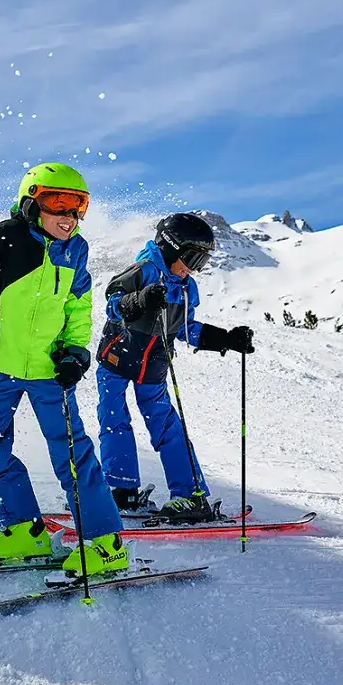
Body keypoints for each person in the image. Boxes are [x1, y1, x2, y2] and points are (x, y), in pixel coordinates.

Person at [0, 162, 127, 578]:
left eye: (78, 206)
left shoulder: (76, 250)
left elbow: (79, 306)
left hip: (50, 371)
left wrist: (75, 351)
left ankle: (105, 541)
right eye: (57, 202)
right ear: (31, 202)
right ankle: (24, 529)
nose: (69, 216)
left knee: (70, 452)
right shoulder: (7, 237)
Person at [94, 212, 255, 523]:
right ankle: (121, 490)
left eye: (202, 262)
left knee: (167, 426)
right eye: (192, 258)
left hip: (153, 365)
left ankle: (190, 495)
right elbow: (112, 303)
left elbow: (185, 328)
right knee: (114, 421)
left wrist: (225, 339)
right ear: (170, 248)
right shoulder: (143, 271)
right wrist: (139, 300)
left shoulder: (185, 288)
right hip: (117, 357)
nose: (193, 268)